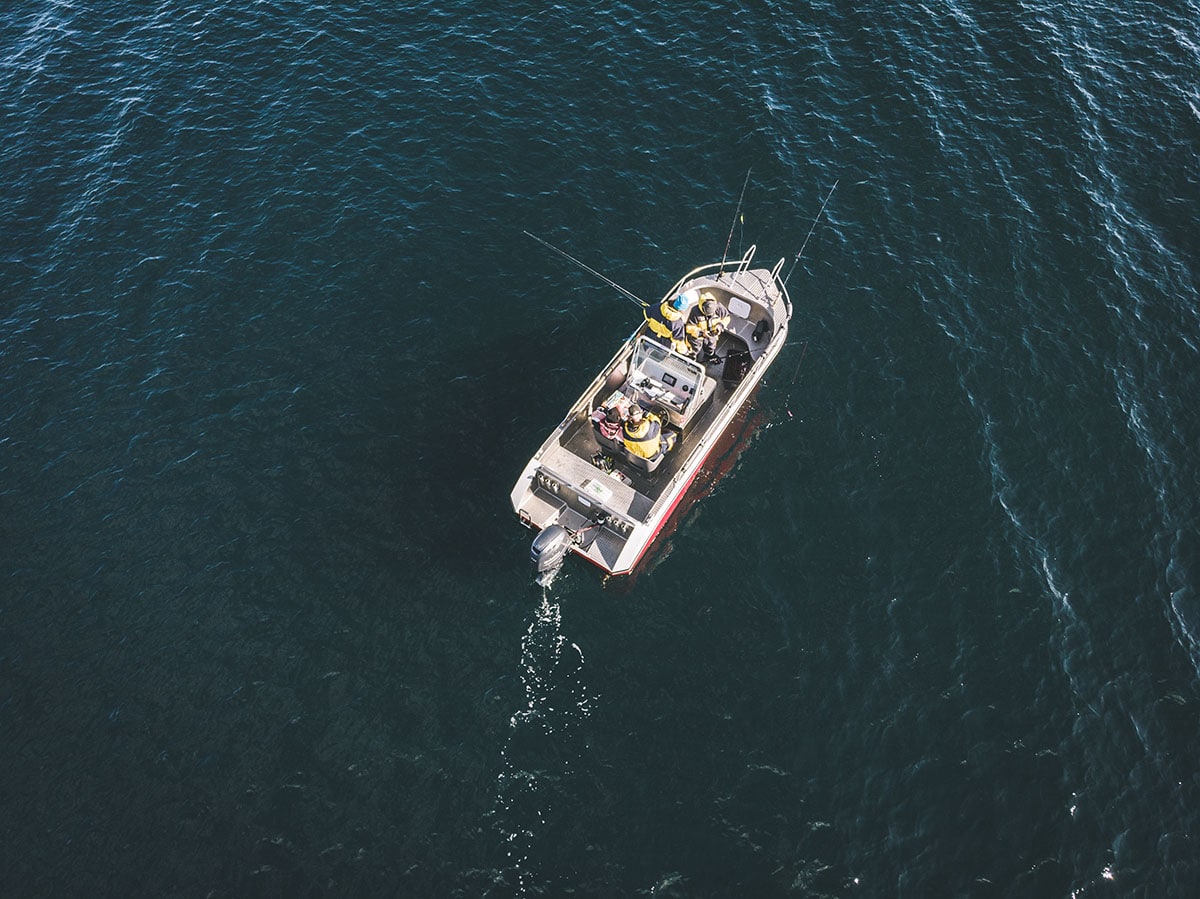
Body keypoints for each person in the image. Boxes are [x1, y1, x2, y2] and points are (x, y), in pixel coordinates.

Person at [686, 291, 730, 361]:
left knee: (711, 346)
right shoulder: (695, 311)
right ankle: (692, 358)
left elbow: (727, 317)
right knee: (694, 348)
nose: (710, 316)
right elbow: (689, 327)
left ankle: (710, 355)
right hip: (697, 336)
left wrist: (720, 325)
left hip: (712, 334)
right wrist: (701, 333)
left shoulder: (719, 307)